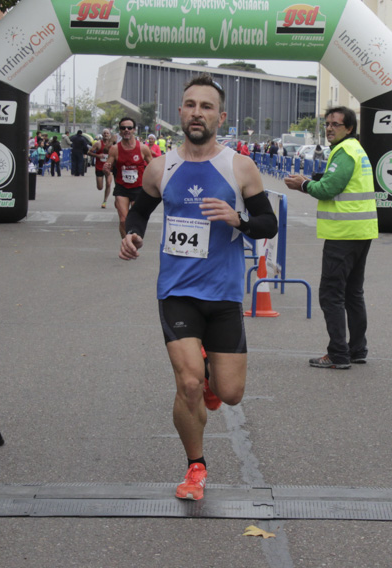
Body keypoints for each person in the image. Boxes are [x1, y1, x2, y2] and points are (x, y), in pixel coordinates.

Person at [119, 73, 277, 501]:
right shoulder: (161, 166)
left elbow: (269, 223)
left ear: (220, 117)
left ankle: (211, 382)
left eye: (206, 107)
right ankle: (195, 467)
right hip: (177, 291)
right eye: (190, 104)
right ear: (180, 112)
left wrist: (238, 220)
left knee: (230, 392)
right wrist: (132, 234)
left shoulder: (238, 166)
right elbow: (140, 210)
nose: (196, 113)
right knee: (186, 383)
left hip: (223, 294)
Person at [283, 106, 378, 370]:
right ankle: (357, 349)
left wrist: (303, 184)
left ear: (349, 128)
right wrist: (312, 179)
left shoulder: (345, 151)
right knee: (352, 293)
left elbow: (329, 188)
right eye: (327, 124)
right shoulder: (355, 149)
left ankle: (338, 353)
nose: (329, 128)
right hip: (360, 231)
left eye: (336, 124)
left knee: (331, 294)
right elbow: (338, 180)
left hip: (344, 233)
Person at [105, 117, 153, 237]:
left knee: (136, 220)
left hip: (139, 188)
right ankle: (126, 243)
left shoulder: (143, 148)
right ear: (120, 131)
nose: (126, 130)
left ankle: (134, 240)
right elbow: (108, 167)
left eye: (129, 128)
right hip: (122, 188)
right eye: (123, 128)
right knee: (123, 220)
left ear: (134, 130)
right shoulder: (115, 149)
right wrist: (106, 170)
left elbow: (152, 166)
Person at [92, 129, 113, 208]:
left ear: (109, 134)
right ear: (102, 134)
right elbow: (89, 152)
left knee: (108, 183)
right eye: (104, 133)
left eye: (107, 133)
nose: (106, 134)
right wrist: (98, 155)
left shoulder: (113, 144)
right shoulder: (98, 143)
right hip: (99, 167)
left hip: (109, 167)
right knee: (100, 187)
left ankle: (105, 201)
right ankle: (104, 197)